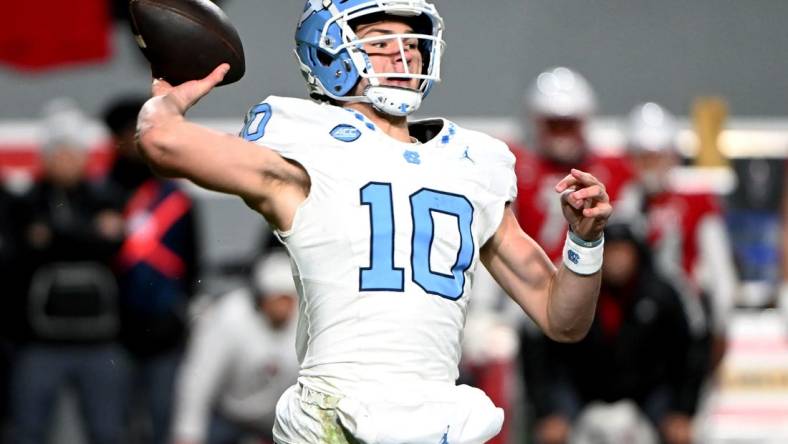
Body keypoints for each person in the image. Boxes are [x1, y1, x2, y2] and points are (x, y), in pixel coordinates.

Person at [135, 1, 613, 442]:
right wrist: (171, 100)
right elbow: (162, 142)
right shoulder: (305, 146)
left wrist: (585, 242)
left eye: (411, 42)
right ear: (328, 51)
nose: (402, 56)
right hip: (336, 415)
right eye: (381, 41)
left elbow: (562, 319)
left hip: (439, 416)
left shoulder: (475, 163)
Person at [10, 98, 128, 444]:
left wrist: (54, 236)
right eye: (58, 151)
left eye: (72, 151)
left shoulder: (105, 196)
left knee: (108, 431)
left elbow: (113, 246)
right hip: (38, 343)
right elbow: (22, 253)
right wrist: (89, 233)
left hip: (100, 342)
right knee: (28, 431)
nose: (66, 159)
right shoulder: (25, 199)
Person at [523, 223, 701, 444]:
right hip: (580, 384)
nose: (618, 260)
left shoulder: (662, 293)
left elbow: (688, 352)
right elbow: (538, 350)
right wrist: (546, 411)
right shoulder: (572, 288)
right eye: (611, 251)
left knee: (680, 434)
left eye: (623, 251)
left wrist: (683, 411)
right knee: (551, 434)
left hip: (648, 388)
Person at [102, 96, 201, 444]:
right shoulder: (103, 194)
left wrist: (181, 308)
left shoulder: (173, 197)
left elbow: (192, 260)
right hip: (114, 328)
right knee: (115, 423)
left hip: (164, 326)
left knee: (163, 417)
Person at [618, 102, 738, 372]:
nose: (650, 166)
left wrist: (720, 327)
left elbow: (721, 276)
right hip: (630, 330)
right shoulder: (621, 203)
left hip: (683, 326)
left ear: (672, 156)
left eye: (657, 156)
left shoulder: (696, 203)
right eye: (643, 157)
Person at [172, 250, 299, 444]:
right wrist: (187, 433)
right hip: (228, 418)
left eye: (288, 299)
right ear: (262, 297)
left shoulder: (306, 321)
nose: (283, 308)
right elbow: (199, 378)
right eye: (276, 298)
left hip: (282, 422)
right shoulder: (229, 315)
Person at [511, 66, 634, 263]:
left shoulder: (610, 170)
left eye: (569, 125)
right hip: (526, 277)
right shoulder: (515, 168)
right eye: (554, 125)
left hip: (593, 278)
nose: (562, 135)